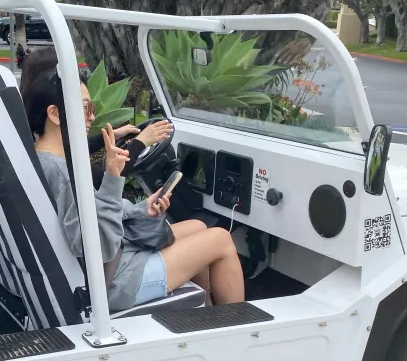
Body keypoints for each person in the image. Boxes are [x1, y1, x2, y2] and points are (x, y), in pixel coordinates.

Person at [27, 67, 245, 312]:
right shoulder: (62, 173)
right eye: (86, 107)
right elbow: (99, 248)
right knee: (221, 239)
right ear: (55, 114)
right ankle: (237, 329)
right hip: (113, 282)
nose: (91, 117)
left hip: (110, 263)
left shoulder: (44, 159)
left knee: (199, 227)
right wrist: (112, 177)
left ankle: (205, 314)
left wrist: (142, 209)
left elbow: (91, 215)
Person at [20, 47, 172, 187]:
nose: (92, 116)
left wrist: (108, 135)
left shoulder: (31, 136)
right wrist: (139, 143)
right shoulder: (60, 167)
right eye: (84, 106)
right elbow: (105, 185)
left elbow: (71, 146)